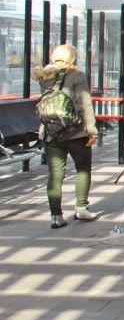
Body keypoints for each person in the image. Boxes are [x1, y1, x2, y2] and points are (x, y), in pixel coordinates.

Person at [33, 44, 99, 228]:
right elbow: (85, 104)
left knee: (55, 175)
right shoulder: (77, 76)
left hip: (51, 133)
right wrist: (92, 130)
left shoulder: (44, 76)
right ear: (72, 58)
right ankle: (81, 209)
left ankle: (56, 216)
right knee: (83, 169)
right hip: (76, 132)